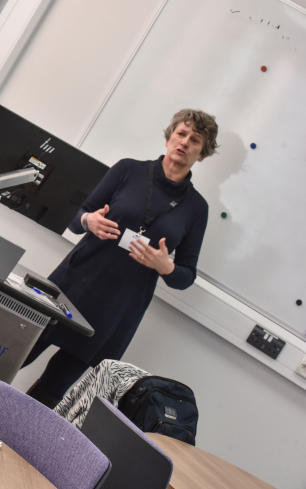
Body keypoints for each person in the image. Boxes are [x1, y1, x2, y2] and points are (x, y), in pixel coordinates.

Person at [23, 109, 219, 408]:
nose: (184, 142)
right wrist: (88, 220)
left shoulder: (197, 208)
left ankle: (9, 428)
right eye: (181, 133)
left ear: (202, 154)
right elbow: (75, 218)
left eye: (195, 140)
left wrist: (166, 267)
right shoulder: (128, 169)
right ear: (169, 137)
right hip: (72, 285)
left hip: (117, 310)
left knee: (55, 386)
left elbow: (185, 277)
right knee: (16, 353)